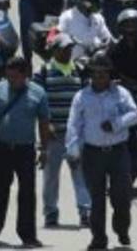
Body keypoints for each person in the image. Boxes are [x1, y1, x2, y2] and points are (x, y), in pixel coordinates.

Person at [66, 54, 137, 251]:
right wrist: (72, 151)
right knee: (96, 200)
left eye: (103, 73)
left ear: (109, 74)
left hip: (118, 152)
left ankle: (122, 229)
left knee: (122, 197)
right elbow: (74, 126)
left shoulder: (121, 93)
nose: (99, 77)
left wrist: (117, 124)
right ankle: (99, 238)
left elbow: (135, 114)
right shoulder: (82, 97)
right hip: (92, 154)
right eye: (96, 73)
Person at [0, 56, 51, 247]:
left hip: (25, 150)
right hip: (1, 148)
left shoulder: (38, 93)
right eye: (8, 77)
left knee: (27, 194)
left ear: (25, 75)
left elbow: (43, 123)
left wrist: (44, 149)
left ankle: (28, 235)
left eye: (15, 77)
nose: (11, 81)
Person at [35, 34, 91, 229]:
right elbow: (38, 102)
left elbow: (86, 100)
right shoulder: (43, 71)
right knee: (51, 176)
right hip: (53, 135)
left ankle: (85, 212)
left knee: (81, 173)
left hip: (75, 135)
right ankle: (50, 212)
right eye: (65, 48)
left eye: (70, 48)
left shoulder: (79, 70)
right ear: (55, 50)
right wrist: (46, 123)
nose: (69, 52)